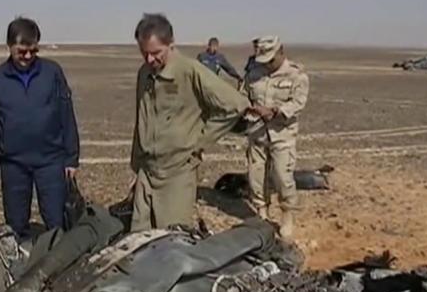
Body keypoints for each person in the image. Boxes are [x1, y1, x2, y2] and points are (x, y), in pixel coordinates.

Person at [130, 13, 251, 231]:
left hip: (176, 173)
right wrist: (137, 166)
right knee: (139, 239)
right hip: (147, 172)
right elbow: (142, 118)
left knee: (171, 239)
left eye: (156, 53)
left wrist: (198, 141)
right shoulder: (144, 73)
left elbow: (235, 105)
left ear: (171, 44)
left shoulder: (190, 71)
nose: (149, 60)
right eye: (143, 53)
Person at [0, 17, 80, 240]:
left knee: (57, 220)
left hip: (51, 161)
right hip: (13, 164)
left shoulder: (52, 72)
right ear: (9, 46)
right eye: (22, 51)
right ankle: (22, 257)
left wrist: (72, 158)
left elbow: (66, 114)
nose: (28, 56)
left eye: (33, 50)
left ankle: (58, 256)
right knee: (16, 224)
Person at [243, 35, 310, 240]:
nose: (268, 64)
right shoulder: (254, 73)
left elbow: (298, 102)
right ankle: (261, 212)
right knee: (256, 174)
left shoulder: (296, 75)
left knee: (282, 176)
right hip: (257, 131)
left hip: (282, 134)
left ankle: (287, 214)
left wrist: (276, 111)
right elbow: (244, 95)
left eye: (271, 60)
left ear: (281, 51)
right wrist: (249, 109)